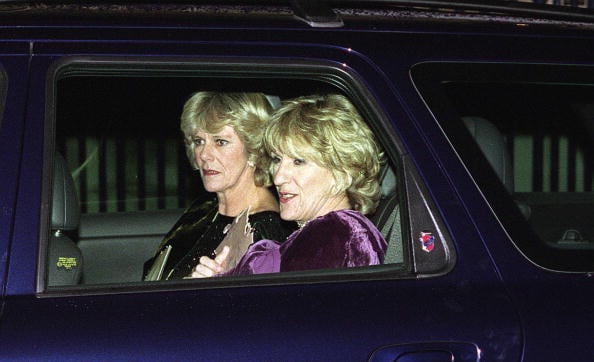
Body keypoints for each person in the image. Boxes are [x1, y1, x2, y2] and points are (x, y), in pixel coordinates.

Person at [190, 94, 387, 278]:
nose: (278, 177)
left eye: (298, 161)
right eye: (277, 159)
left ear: (342, 172)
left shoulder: (339, 236)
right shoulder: (319, 236)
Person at [144, 92, 296, 281]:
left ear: (253, 148)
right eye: (199, 141)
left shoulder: (264, 234)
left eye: (220, 142)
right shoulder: (204, 209)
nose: (204, 155)